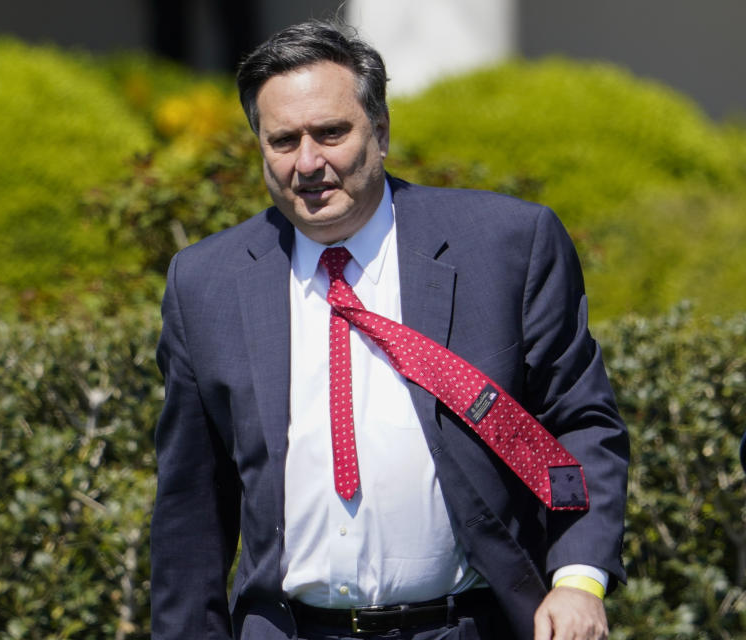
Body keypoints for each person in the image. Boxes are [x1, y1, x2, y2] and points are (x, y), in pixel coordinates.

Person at [150, 20, 629, 640]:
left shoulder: (505, 248)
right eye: (282, 141)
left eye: (331, 133)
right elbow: (192, 503)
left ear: (379, 130)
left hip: (465, 625)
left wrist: (578, 578)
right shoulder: (205, 282)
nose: (308, 162)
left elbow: (578, 423)